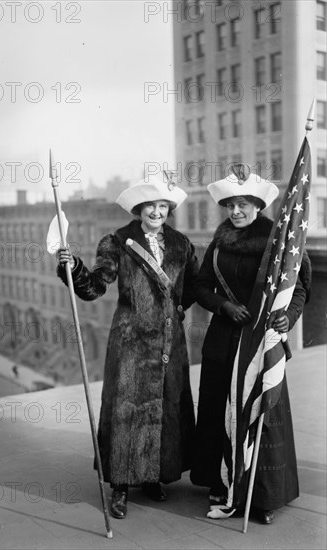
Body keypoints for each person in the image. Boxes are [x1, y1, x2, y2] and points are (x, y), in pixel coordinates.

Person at [56, 175, 201, 519]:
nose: (156, 211)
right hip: (131, 342)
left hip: (169, 342)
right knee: (126, 411)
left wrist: (178, 308)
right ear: (139, 208)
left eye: (163, 205)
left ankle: (153, 476)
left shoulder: (182, 244)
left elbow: (195, 285)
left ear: (169, 209)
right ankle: (120, 486)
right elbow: (94, 287)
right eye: (150, 205)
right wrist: (73, 267)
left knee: (164, 408)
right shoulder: (118, 242)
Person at [190, 164, 311, 525]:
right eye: (230, 205)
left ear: (258, 205)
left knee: (261, 415)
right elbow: (200, 287)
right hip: (224, 342)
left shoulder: (279, 242)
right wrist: (224, 306)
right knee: (219, 413)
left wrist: (287, 319)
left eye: (244, 204)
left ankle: (264, 496)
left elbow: (299, 289)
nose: (236, 211)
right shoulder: (217, 244)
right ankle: (220, 483)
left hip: (261, 344)